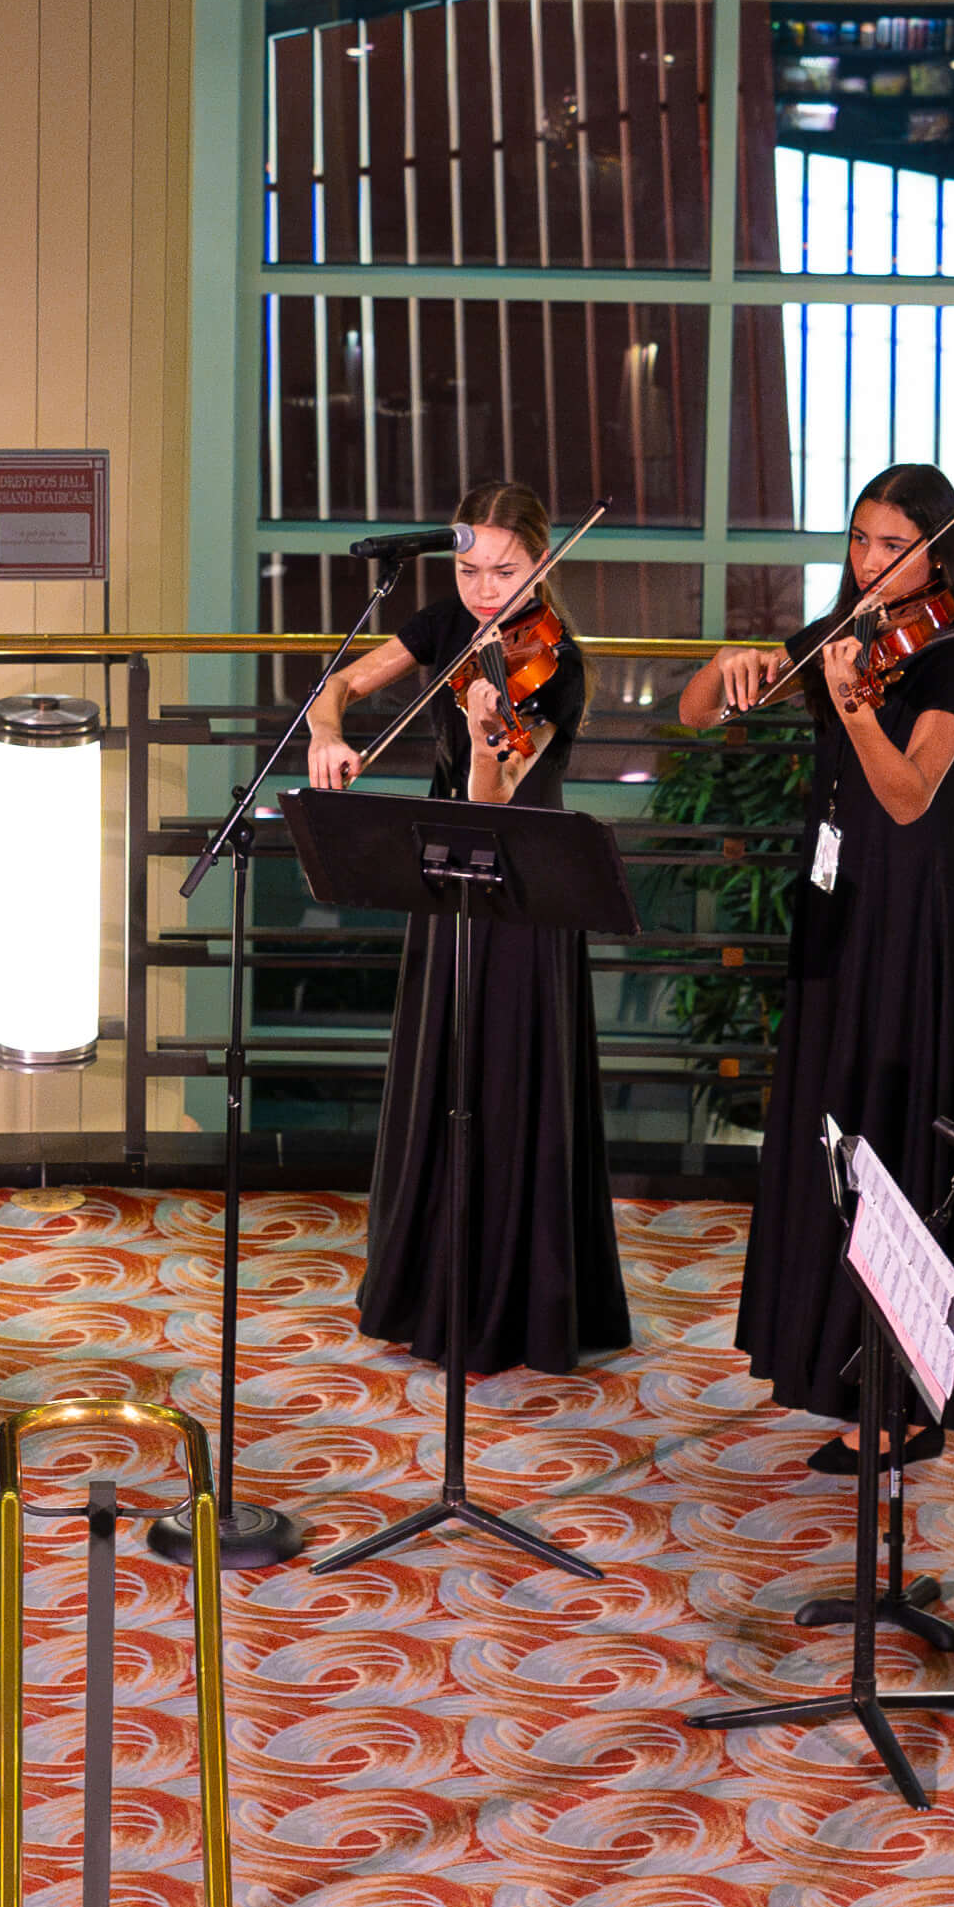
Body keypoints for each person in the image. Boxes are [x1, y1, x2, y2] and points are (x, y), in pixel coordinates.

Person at [679, 463, 954, 1473]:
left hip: (908, 928)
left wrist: (855, 708)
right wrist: (730, 664)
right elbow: (696, 714)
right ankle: (831, 1369)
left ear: (936, 553)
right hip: (833, 914)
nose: (869, 561)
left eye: (891, 545)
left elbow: (909, 798)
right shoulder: (844, 633)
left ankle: (902, 1398)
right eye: (860, 540)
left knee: (895, 1155)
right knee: (829, 1139)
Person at [301, 486, 631, 1376]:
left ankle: (504, 1306)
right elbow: (336, 686)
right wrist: (325, 737)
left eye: (508, 570)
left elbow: (496, 805)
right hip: (441, 882)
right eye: (469, 568)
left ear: (543, 561)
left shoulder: (552, 666)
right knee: (443, 1072)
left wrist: (489, 741)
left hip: (523, 892)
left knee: (502, 1077)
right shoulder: (448, 620)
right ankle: (433, 1288)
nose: (486, 591)